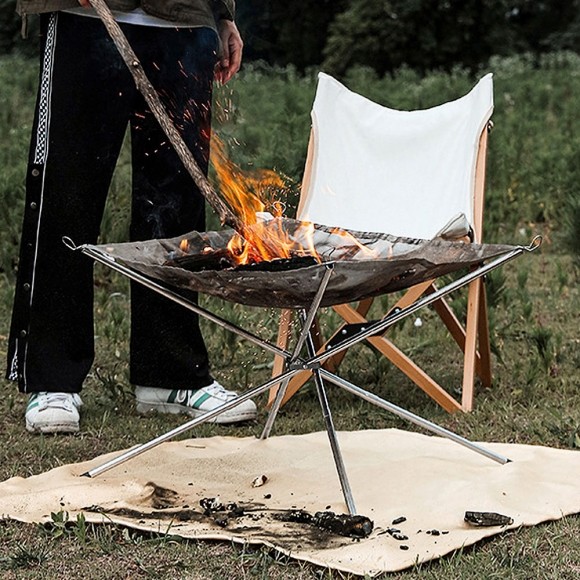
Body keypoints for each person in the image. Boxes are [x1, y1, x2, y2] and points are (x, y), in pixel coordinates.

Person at [6, 0, 257, 433]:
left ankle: (170, 375)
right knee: (66, 192)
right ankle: (52, 379)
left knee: (177, 203)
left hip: (181, 20)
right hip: (85, 17)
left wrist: (223, 14)